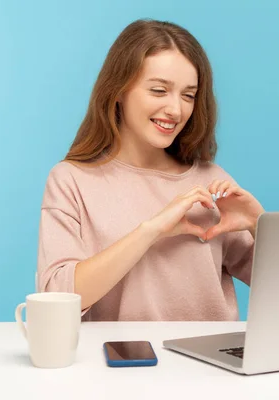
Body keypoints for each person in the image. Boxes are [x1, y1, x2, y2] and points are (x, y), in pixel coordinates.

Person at [36, 19, 265, 322]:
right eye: (159, 90)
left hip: (211, 364)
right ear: (118, 90)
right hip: (120, 364)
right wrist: (151, 230)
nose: (176, 109)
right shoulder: (71, 180)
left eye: (188, 95)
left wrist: (259, 224)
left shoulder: (210, 181)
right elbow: (55, 298)